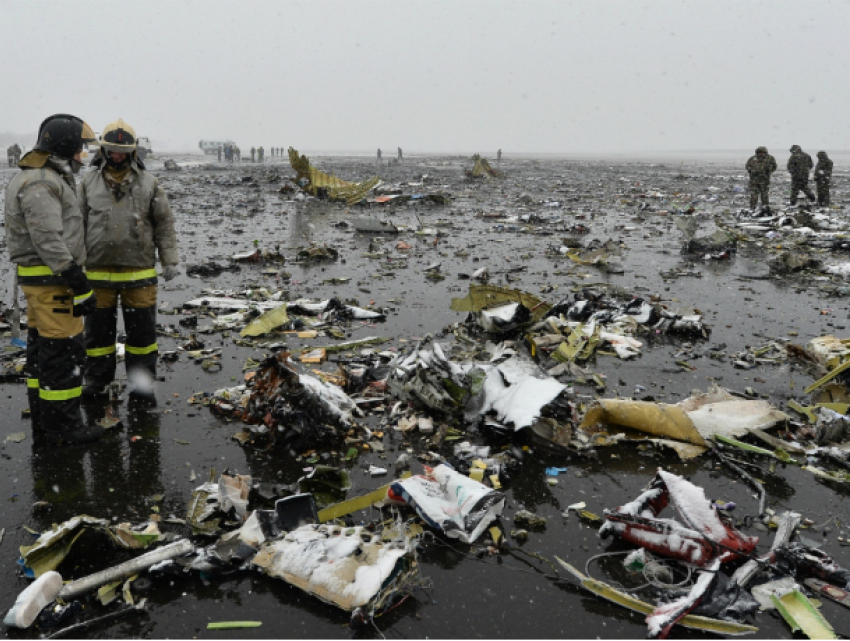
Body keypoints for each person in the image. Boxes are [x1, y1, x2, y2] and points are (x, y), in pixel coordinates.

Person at [4, 114, 102, 445]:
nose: (82, 157)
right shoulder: (42, 182)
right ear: (64, 147)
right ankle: (65, 428)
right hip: (52, 285)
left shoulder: (39, 177)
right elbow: (47, 237)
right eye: (79, 150)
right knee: (63, 353)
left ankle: (45, 419)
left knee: (41, 353)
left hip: (41, 284)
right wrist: (78, 281)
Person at [78, 119, 179, 401]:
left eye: (123, 151)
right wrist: (73, 266)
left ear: (133, 152)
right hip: (97, 275)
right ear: (104, 151)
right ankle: (97, 383)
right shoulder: (87, 183)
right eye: (112, 151)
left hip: (140, 276)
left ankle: (142, 388)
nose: (118, 156)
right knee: (97, 339)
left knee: (143, 341)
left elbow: (164, 223)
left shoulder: (150, 183)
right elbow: (76, 225)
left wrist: (170, 260)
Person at [745, 146, 777, 211]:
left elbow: (774, 166)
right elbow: (747, 166)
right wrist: (752, 170)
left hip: (764, 180)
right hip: (754, 181)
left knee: (764, 195)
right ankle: (753, 208)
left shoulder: (770, 158)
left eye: (762, 152)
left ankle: (765, 208)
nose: (760, 154)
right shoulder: (753, 158)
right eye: (759, 152)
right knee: (754, 195)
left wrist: (769, 170)